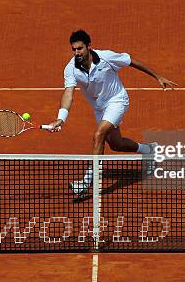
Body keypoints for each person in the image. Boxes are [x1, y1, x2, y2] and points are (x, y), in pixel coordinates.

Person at [47, 30, 177, 195]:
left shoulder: (106, 57)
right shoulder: (70, 68)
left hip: (117, 101)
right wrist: (61, 118)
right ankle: (149, 150)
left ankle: (86, 182)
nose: (76, 53)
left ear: (88, 46)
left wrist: (157, 76)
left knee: (98, 135)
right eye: (73, 49)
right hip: (99, 107)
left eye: (80, 48)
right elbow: (68, 93)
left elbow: (131, 61)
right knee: (116, 144)